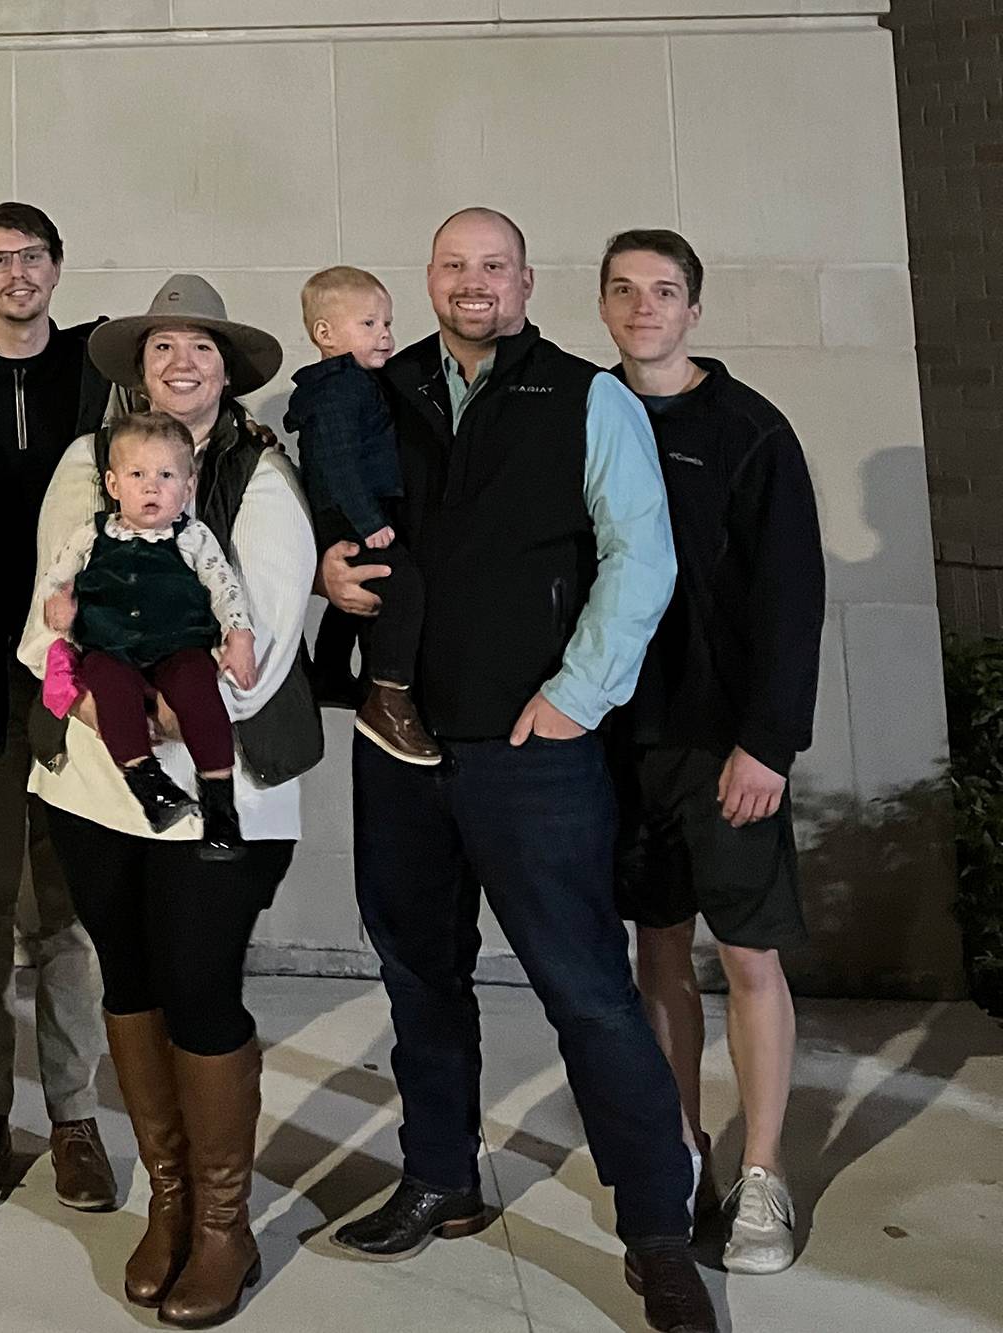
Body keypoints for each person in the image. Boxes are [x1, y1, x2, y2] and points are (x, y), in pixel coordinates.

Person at [325, 208, 716, 1333]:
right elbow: (327, 511)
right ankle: (438, 1176)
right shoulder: (377, 386)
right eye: (454, 265)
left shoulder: (585, 396)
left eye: (493, 266)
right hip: (397, 743)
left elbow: (641, 556)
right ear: (427, 279)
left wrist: (576, 696)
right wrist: (324, 570)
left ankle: (656, 1229)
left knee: (588, 993)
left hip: (531, 752)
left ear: (527, 282)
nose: (473, 283)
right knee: (418, 976)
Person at [22, 274, 316, 1328]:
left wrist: (158, 705)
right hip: (90, 783)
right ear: (138, 370)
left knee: (199, 987)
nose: (180, 362)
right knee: (131, 975)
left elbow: (264, 629)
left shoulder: (260, 475)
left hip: (212, 782)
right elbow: (49, 604)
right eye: (161, 347)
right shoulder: (85, 463)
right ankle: (171, 1196)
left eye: (200, 348)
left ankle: (225, 1223)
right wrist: (90, 693)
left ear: (227, 372)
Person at [599, 228, 824, 1276]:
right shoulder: (582, 415)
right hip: (619, 741)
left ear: (693, 309)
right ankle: (682, 1150)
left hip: (726, 746)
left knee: (746, 955)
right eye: (624, 289)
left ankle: (764, 1171)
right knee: (655, 950)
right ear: (603, 306)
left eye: (663, 290)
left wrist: (766, 742)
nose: (643, 306)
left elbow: (790, 596)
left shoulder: (749, 430)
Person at [0, 200, 116, 1214]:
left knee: (68, 907)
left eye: (32, 256)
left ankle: (76, 1115)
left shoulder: (98, 369)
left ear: (56, 265)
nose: (16, 273)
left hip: (75, 670)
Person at [31, 410, 256, 849]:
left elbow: (225, 587)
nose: (152, 486)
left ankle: (220, 805)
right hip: (110, 647)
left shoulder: (193, 537)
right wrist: (59, 601)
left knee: (200, 692)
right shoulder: (91, 535)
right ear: (114, 485)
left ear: (188, 487)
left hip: (179, 646)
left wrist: (239, 634)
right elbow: (57, 576)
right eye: (138, 474)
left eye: (166, 475)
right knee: (110, 690)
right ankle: (148, 784)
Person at [286, 266, 436, 764]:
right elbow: (339, 462)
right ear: (324, 334)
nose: (385, 335)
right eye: (369, 324)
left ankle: (329, 672)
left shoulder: (351, 383)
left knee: (353, 595)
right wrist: (369, 521)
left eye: (387, 323)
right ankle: (389, 694)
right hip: (350, 512)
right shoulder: (340, 389)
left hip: (351, 509)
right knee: (401, 585)